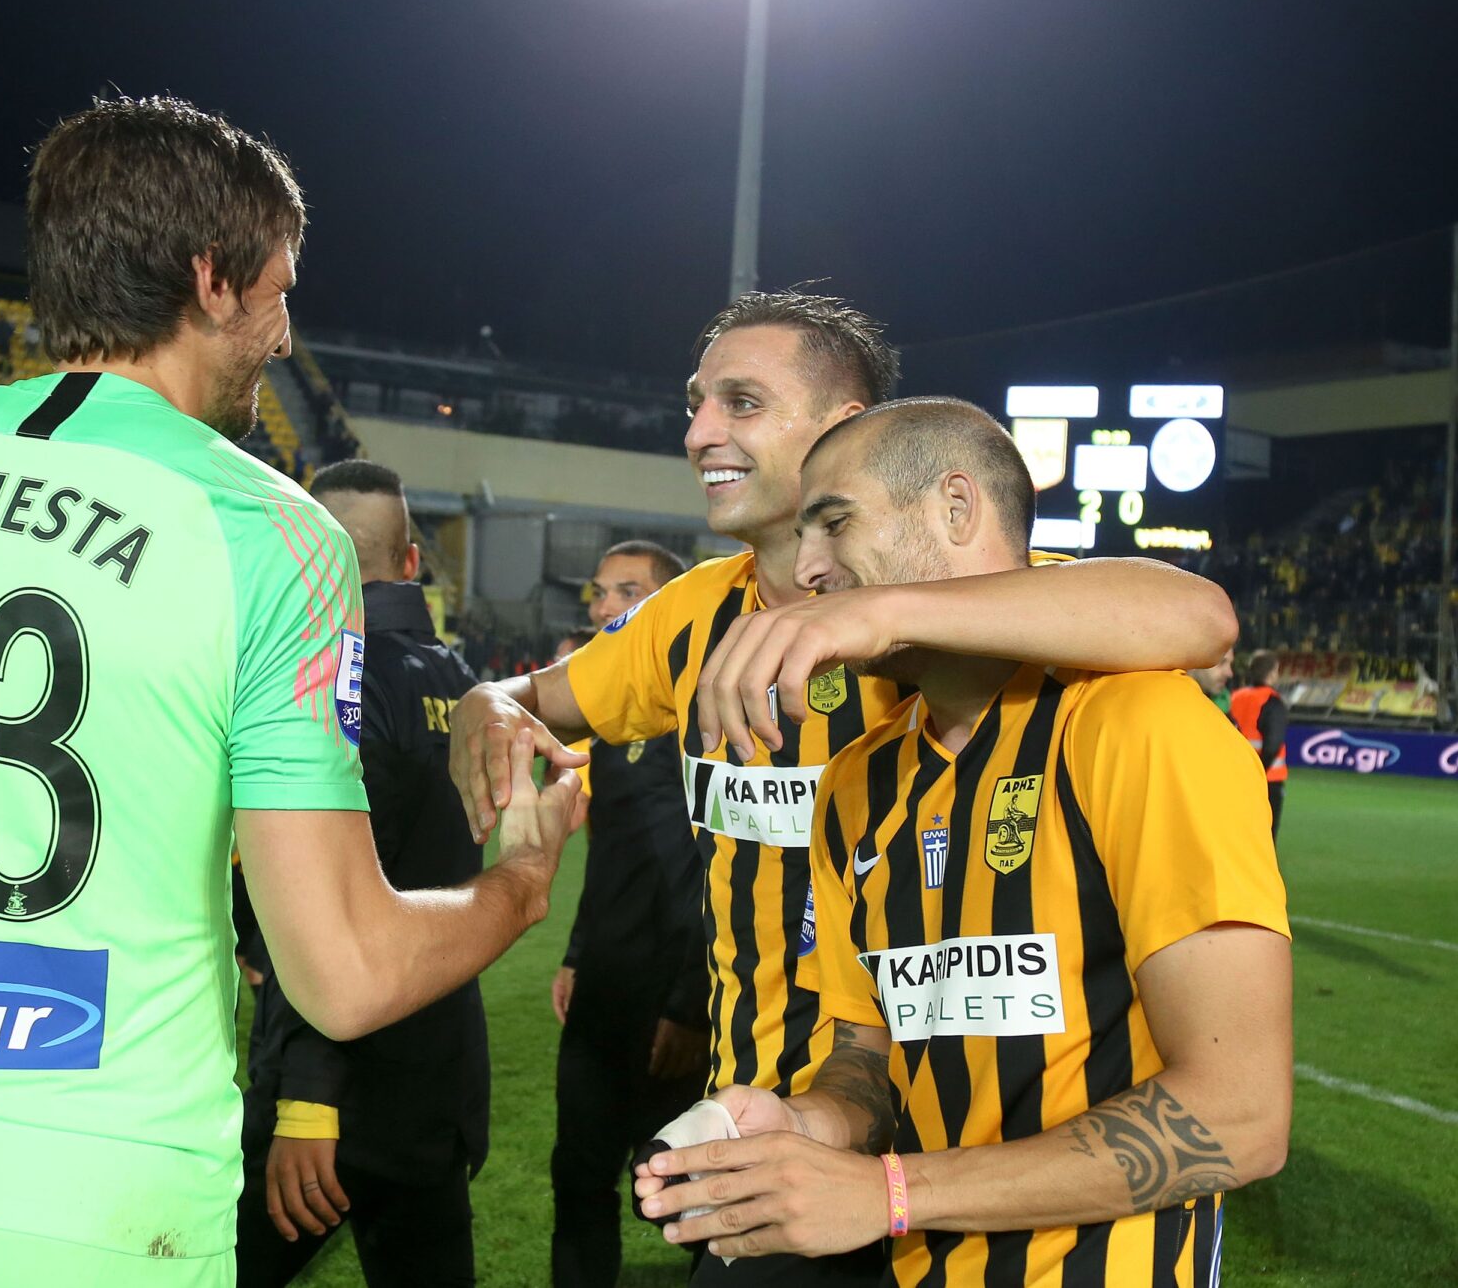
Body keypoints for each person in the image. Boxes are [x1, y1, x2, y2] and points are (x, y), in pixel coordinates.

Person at [0, 94, 584, 1288]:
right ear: (212, 280)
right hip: (98, 1204)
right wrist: (521, 881)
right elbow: (345, 969)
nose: (286, 335)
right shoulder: (266, 531)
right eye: (278, 289)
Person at [448, 291, 1238, 1287]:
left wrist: (881, 616)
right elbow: (540, 697)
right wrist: (486, 701)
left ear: (843, 428)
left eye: (741, 402)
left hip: (952, 1164)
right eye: (696, 403)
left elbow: (1195, 617)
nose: (699, 433)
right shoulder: (701, 627)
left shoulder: (1011, 631)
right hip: (798, 1122)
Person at [632, 398, 1292, 1288]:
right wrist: (806, 1124)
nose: (808, 565)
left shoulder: (1140, 728)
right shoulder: (858, 783)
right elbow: (870, 1059)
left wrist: (892, 1195)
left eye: (834, 523)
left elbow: (1241, 1117)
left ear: (955, 508)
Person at [238, 459, 490, 1288]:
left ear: (306, 554)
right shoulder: (464, 682)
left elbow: (331, 905)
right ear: (411, 561)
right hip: (436, 1074)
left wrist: (307, 1096)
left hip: (337, 1089)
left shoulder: (328, 678)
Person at [550, 540, 710, 1288]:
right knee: (578, 1174)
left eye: (626, 592)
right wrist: (577, 953)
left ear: (665, 610)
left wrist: (690, 1006)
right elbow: (608, 854)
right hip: (605, 986)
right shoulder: (610, 722)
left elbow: (713, 872)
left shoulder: (707, 713)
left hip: (674, 999)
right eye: (599, 591)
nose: (603, 606)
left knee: (692, 1193)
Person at [1229, 651, 1289, 839]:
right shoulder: (1272, 701)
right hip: (1267, 779)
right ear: (1271, 673)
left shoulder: (1235, 697)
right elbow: (1272, 745)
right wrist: (1259, 772)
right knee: (1265, 837)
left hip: (1235, 775)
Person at [1189, 645, 1233, 715]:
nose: (1229, 673)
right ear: (1195, 660)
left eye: (1230, 664)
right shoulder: (1175, 707)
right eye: (1221, 662)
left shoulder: (1224, 709)